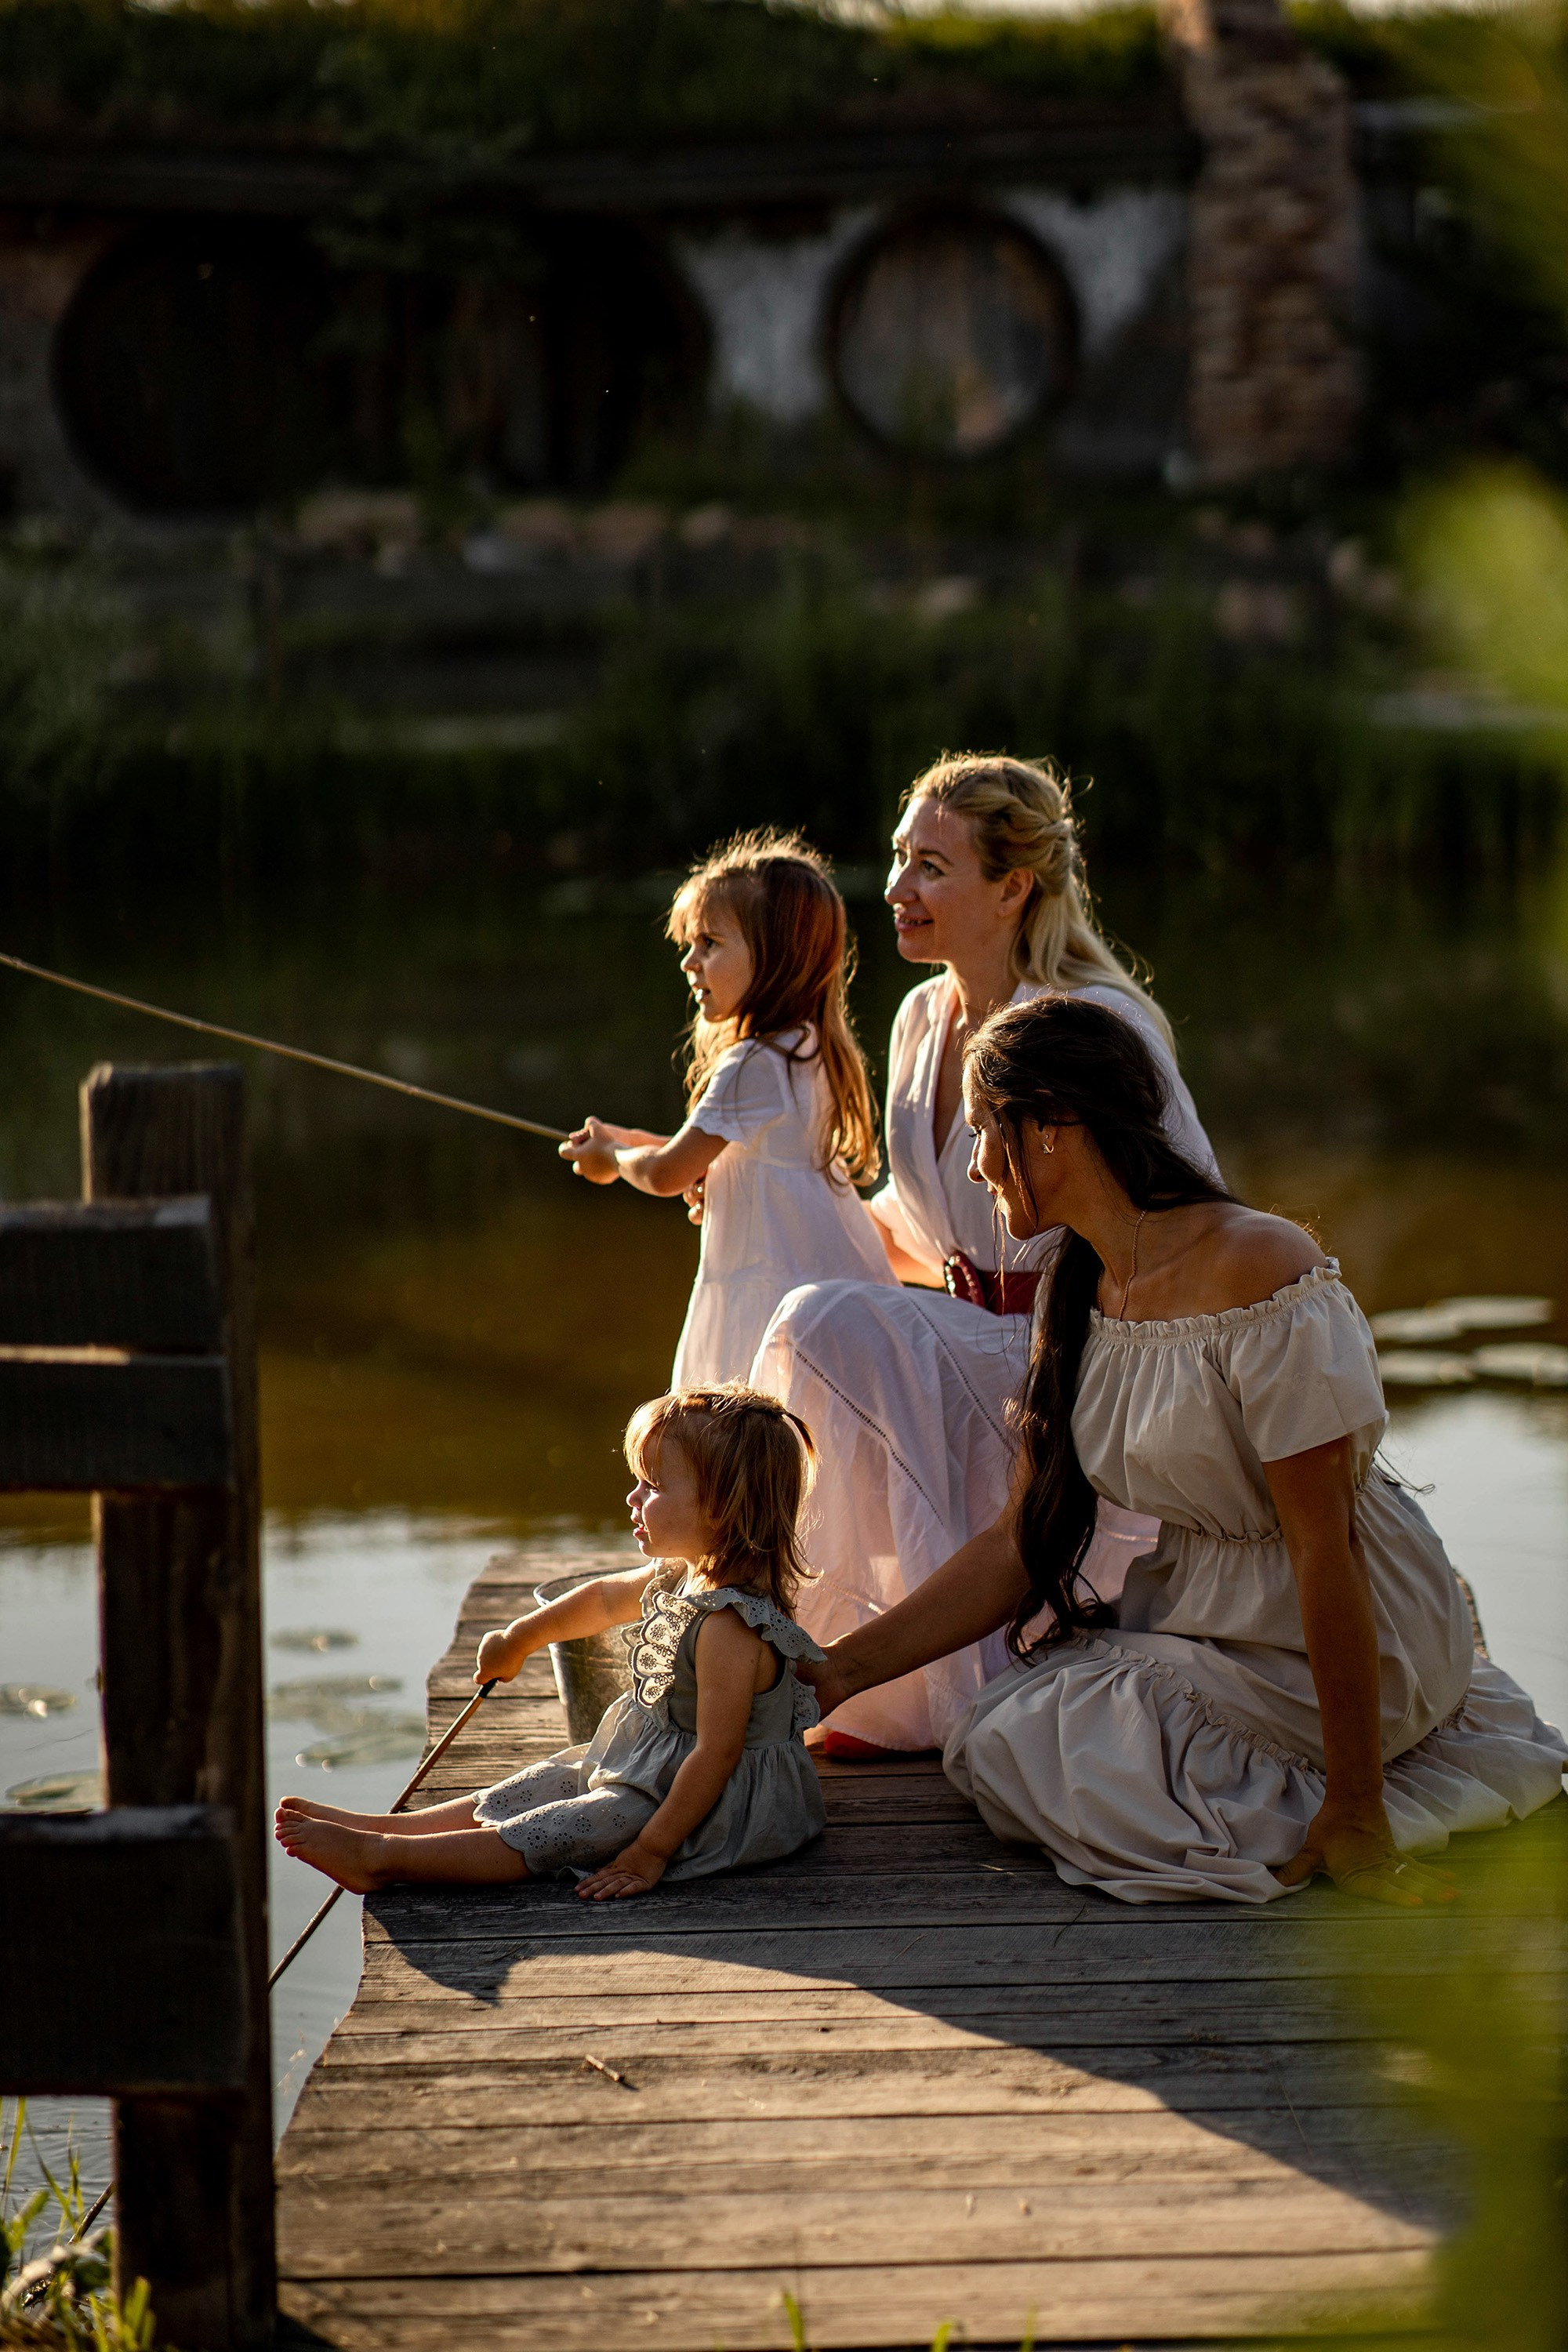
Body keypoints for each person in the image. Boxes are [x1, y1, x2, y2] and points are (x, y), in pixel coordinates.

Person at [804, 995, 1568, 1904]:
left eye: (981, 1133)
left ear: (1050, 1125)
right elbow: (1019, 1544)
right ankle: (1279, 1790)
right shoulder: (1075, 1286)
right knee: (1005, 1733)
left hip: (1339, 1610)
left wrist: (1362, 1813)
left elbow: (1327, 1547)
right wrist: (835, 1675)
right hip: (1205, 1608)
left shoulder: (1258, 1269)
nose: (972, 1167)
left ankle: (1347, 1798)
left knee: (1061, 1752)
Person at [753, 754, 1216, 1755]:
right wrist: (758, 1191)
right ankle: (892, 1686)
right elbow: (918, 1227)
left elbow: (1180, 1214)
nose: (893, 891)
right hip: (973, 1339)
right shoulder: (924, 1016)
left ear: (1012, 888)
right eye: (895, 859)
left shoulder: (1092, 1023)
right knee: (816, 1306)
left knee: (819, 1323)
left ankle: (890, 1678)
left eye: (929, 866)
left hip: (1087, 1356)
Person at [274, 1385, 827, 1900]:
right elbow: (605, 1600)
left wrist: (650, 1852)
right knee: (550, 1780)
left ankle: (383, 1859)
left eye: (653, 1487)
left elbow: (717, 1755)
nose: (633, 1497)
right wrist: (519, 1639)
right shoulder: (685, 1574)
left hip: (717, 1805)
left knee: (569, 1825)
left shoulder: (730, 1629)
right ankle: (389, 1829)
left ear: (721, 1509)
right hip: (654, 1766)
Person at [559, 830, 895, 1386]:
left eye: (710, 944)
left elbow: (668, 1173)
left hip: (767, 1297)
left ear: (777, 958)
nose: (690, 962)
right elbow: (714, 1151)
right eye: (690, 944)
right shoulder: (805, 1046)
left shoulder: (753, 1063)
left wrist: (612, 1159)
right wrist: (626, 1138)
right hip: (823, 1288)